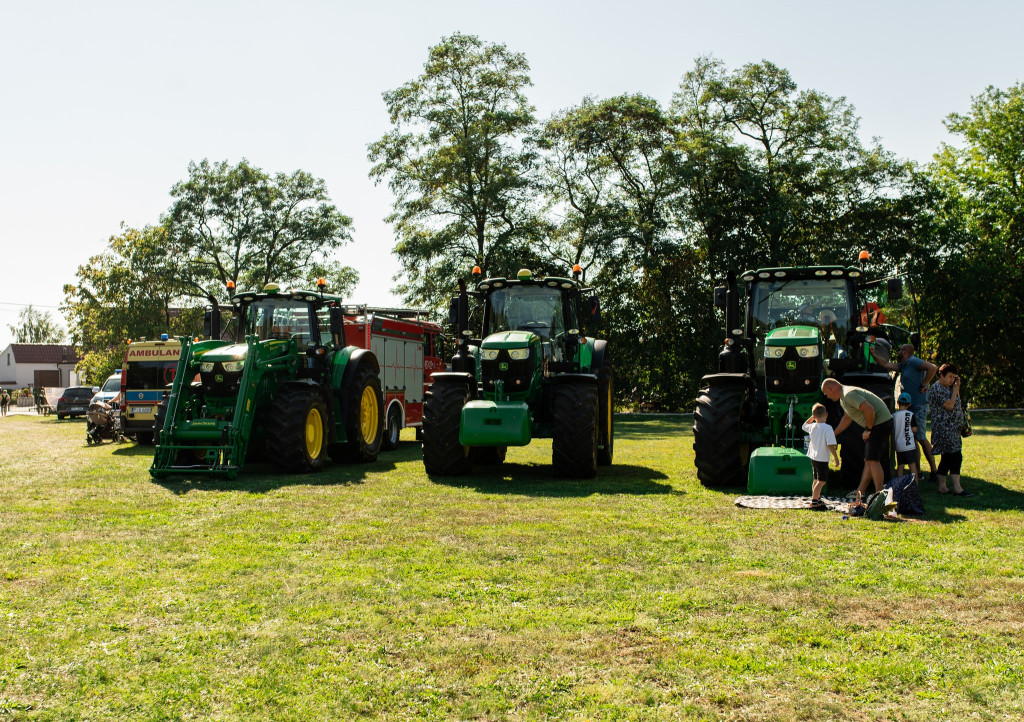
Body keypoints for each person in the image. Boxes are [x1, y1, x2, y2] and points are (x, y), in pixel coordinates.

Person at [871, 343, 938, 479]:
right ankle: (918, 472)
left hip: (919, 404)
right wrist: (873, 353)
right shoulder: (903, 366)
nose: (899, 351)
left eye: (901, 349)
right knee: (913, 438)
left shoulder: (913, 361)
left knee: (920, 437)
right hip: (910, 406)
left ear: (906, 352)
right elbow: (885, 364)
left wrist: (924, 384)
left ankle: (935, 470)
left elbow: (932, 368)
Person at [821, 378, 894, 497]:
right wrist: (832, 435)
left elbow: (868, 409)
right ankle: (860, 492)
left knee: (873, 460)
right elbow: (847, 419)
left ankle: (880, 495)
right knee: (868, 460)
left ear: (831, 388)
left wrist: (868, 429)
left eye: (826, 393)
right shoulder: (843, 399)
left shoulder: (849, 394)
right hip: (877, 425)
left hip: (880, 424)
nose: (827, 397)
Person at [927, 363, 972, 497]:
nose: (952, 380)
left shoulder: (949, 388)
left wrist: (955, 390)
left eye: (954, 377)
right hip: (945, 429)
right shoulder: (937, 389)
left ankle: (942, 487)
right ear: (941, 375)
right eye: (950, 377)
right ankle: (957, 488)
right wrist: (955, 391)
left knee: (946, 457)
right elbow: (950, 405)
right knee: (955, 456)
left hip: (953, 429)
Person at [802, 403, 840, 510]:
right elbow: (830, 444)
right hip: (822, 458)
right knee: (822, 480)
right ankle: (814, 501)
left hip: (813, 457)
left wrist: (812, 418)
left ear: (814, 416)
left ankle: (816, 498)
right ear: (826, 415)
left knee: (816, 479)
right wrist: (836, 457)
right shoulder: (828, 428)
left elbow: (803, 425)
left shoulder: (812, 426)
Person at [893, 392, 919, 480]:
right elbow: (914, 429)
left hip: (898, 446)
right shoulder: (910, 414)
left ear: (898, 402)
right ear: (909, 404)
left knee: (900, 466)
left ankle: (899, 484)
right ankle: (915, 484)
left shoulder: (893, 416)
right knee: (912, 465)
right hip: (909, 446)